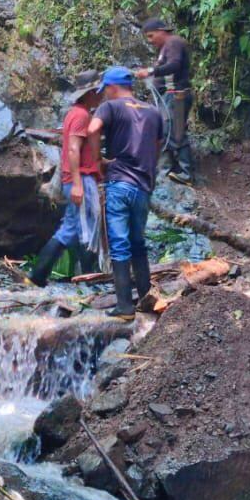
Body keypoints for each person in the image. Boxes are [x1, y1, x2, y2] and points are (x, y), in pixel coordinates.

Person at [87, 67, 164, 320]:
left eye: (105, 90)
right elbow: (157, 146)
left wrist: (99, 159)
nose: (104, 95)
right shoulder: (153, 112)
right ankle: (145, 298)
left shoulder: (109, 108)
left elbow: (92, 129)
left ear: (111, 87)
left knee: (119, 244)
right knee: (138, 243)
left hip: (119, 182)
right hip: (143, 186)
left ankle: (124, 306)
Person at [26, 71, 104, 287]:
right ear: (90, 93)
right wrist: (78, 184)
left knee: (69, 229)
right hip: (81, 180)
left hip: (77, 179)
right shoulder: (81, 116)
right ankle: (90, 281)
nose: (101, 94)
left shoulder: (76, 113)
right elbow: (72, 149)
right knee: (87, 229)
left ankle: (38, 275)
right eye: (98, 90)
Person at [134, 17, 195, 185]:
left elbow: (175, 65)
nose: (150, 41)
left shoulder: (173, 42)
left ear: (161, 31)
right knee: (166, 130)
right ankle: (165, 168)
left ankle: (186, 172)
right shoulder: (165, 48)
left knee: (175, 131)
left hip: (177, 95)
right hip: (169, 96)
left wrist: (151, 71)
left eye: (151, 36)